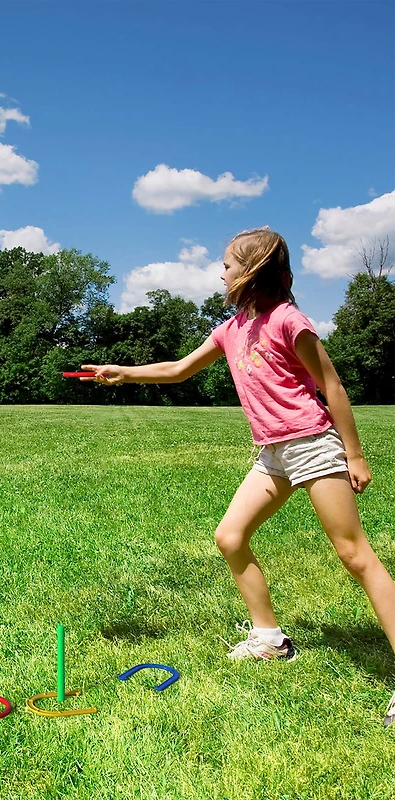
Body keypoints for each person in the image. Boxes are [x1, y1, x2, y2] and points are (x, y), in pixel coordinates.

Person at [81, 227, 395, 727]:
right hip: (272, 452)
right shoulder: (231, 329)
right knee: (230, 537)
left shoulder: (289, 321)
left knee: (353, 553)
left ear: (250, 272)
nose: (221, 273)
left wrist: (354, 455)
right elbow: (180, 369)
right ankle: (269, 639)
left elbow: (332, 386)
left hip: (312, 443)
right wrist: (125, 371)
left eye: (227, 265)